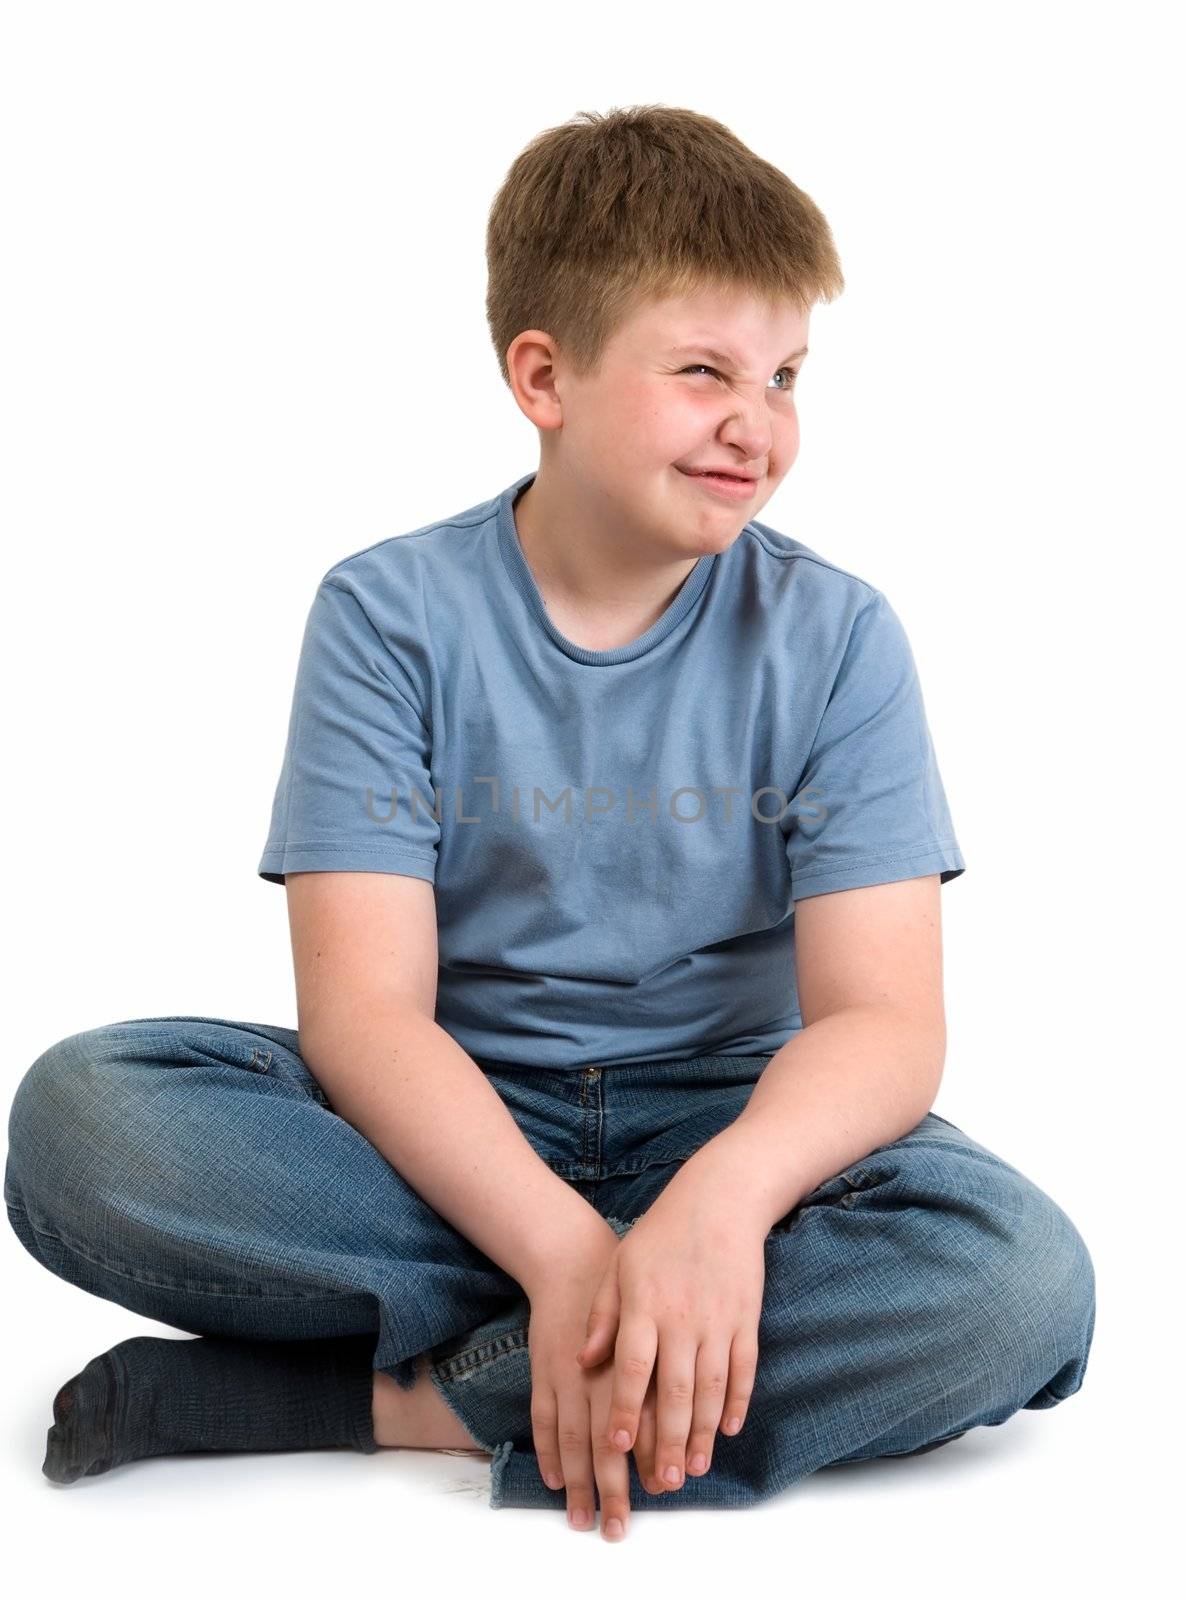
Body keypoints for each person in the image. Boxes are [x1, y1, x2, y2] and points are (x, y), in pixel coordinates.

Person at [4, 104, 1095, 1542]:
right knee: (86, 1119)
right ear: (544, 375)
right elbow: (366, 1015)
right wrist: (567, 1252)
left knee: (1015, 1283)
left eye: (782, 374)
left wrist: (716, 1215)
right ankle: (633, 1329)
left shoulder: (836, 635)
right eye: (701, 369)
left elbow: (882, 1022)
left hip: (731, 1122)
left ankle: (383, 1403)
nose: (754, 422)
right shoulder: (386, 615)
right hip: (451, 1123)